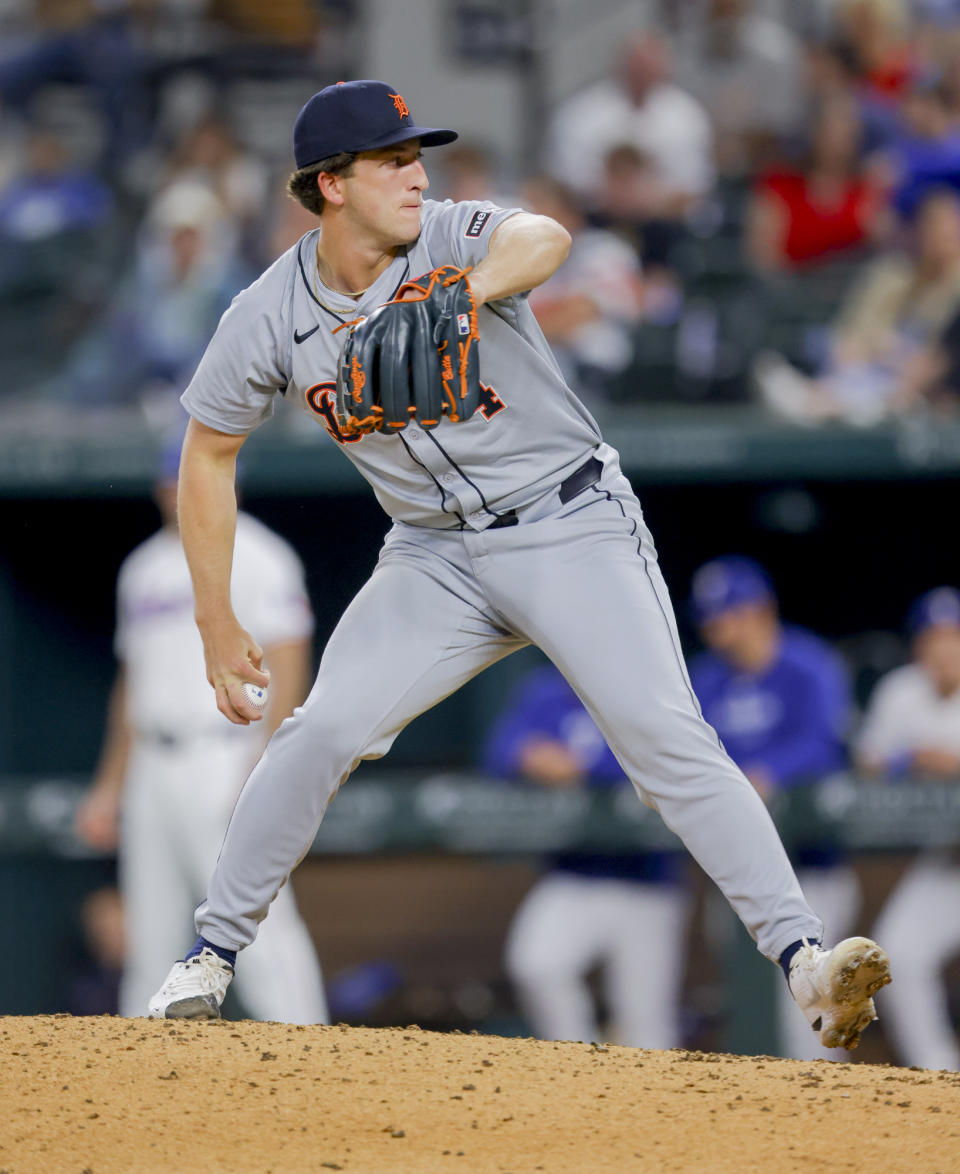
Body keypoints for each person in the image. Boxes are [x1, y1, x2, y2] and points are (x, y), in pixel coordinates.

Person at [146, 79, 889, 1052]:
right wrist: (213, 615)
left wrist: (463, 289)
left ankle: (805, 963)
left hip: (567, 521)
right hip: (432, 556)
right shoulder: (272, 312)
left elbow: (545, 237)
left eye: (419, 156)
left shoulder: (449, 235)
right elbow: (207, 449)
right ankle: (209, 952)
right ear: (331, 184)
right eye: (393, 161)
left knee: (664, 737)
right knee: (320, 729)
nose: (418, 175)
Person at [74, 438, 327, 1023]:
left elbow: (289, 662)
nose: (177, 489)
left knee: (253, 914)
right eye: (171, 478)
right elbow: (133, 685)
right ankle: (142, 1071)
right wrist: (109, 786)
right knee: (151, 925)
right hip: (152, 761)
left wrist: (269, 761)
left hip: (224, 752)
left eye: (186, 476)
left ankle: (308, 1044)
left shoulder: (262, 555)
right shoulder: (141, 568)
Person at [688, 555, 862, 1060]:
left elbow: (826, 741)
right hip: (740, 879)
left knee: (810, 1020)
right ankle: (774, 1134)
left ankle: (835, 1126)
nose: (721, 630)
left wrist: (769, 772)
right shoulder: (707, 678)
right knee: (749, 1006)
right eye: (713, 619)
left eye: (731, 615)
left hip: (815, 869)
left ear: (762, 610)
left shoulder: (811, 665)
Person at [483, 660, 686, 1049]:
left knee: (647, 1024)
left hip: (648, 877)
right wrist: (526, 756)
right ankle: (580, 1065)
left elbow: (666, 755)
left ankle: (653, 1107)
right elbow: (498, 748)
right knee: (538, 964)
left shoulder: (647, 684)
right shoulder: (547, 690)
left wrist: (586, 766)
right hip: (574, 872)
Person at [858, 586, 960, 1071]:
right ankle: (942, 1076)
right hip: (946, 862)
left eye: (954, 636)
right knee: (898, 951)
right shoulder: (902, 690)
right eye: (933, 637)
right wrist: (912, 758)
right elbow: (868, 762)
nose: (943, 648)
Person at [755, 186, 960, 425]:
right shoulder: (894, 276)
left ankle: (811, 405)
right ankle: (815, 400)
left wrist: (901, 364)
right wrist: (873, 348)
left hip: (915, 388)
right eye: (931, 227)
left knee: (864, 393)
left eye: (947, 228)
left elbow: (938, 359)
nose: (938, 236)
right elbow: (850, 337)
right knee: (847, 367)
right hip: (869, 370)